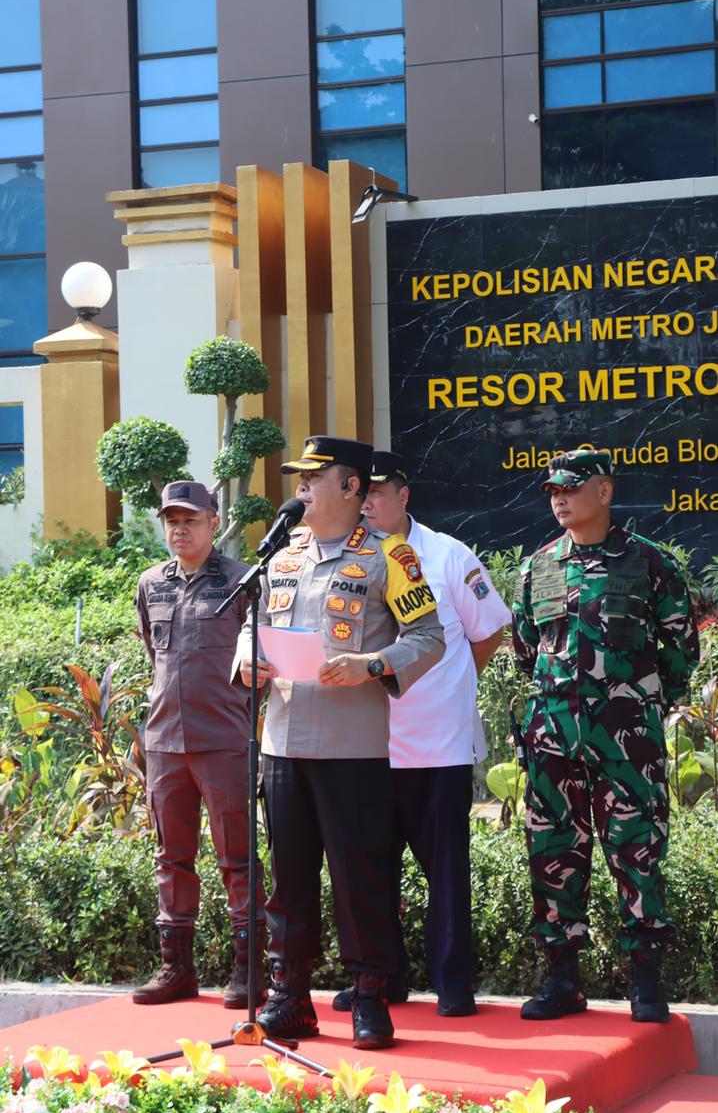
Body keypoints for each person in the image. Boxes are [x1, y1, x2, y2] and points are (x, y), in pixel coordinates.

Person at [233, 435, 445, 1049]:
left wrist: (372, 664)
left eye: (313, 476)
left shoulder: (389, 555)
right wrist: (248, 662)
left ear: (352, 487)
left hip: (351, 747)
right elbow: (256, 631)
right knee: (288, 879)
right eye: (298, 476)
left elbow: (429, 638)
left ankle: (371, 999)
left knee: (362, 879)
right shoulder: (281, 555)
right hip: (282, 741)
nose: (299, 486)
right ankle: (289, 998)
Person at [512, 449, 699, 1024]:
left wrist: (633, 703)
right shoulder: (537, 567)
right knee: (552, 856)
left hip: (627, 744)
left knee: (636, 854)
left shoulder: (649, 564)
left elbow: (680, 651)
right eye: (551, 491)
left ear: (605, 492)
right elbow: (526, 649)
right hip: (552, 744)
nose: (560, 499)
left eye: (571, 488)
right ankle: (562, 980)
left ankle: (645, 980)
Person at [332, 450, 509, 1017]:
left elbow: (487, 632)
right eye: (360, 497)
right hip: (366, 744)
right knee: (370, 868)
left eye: (377, 495)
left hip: (437, 743)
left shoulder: (448, 555)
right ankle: (382, 980)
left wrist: (453, 687)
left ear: (404, 496)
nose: (367, 506)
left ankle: (453, 985)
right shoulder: (348, 557)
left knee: (446, 873)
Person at [132, 480, 266, 1008]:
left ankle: (247, 971)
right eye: (171, 520)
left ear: (215, 521)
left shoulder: (242, 582)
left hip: (224, 741)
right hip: (165, 742)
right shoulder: (151, 584)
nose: (179, 529)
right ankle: (176, 970)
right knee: (171, 856)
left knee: (238, 858)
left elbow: (262, 662)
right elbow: (153, 653)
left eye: (190, 519)